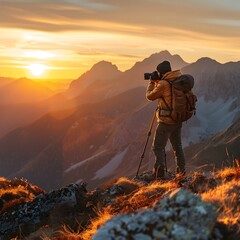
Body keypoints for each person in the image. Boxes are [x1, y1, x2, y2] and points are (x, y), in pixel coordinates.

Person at [146, 61, 186, 180]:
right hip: (177, 119)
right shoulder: (178, 79)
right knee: (177, 147)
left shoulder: (163, 84)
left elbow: (150, 96)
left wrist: (151, 83)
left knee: (157, 147)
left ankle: (160, 174)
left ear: (161, 72)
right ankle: (181, 173)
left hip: (166, 121)